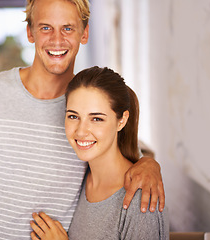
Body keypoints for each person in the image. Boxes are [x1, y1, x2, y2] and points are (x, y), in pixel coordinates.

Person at [0, 0, 165, 239]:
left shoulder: (88, 104)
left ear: (84, 33)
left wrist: (149, 165)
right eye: (46, 28)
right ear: (30, 32)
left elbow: (119, 155)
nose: (57, 40)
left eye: (67, 28)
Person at [30, 66, 169, 240]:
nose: (81, 132)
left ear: (122, 121)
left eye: (97, 119)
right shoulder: (78, 177)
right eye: (73, 116)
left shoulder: (141, 199)